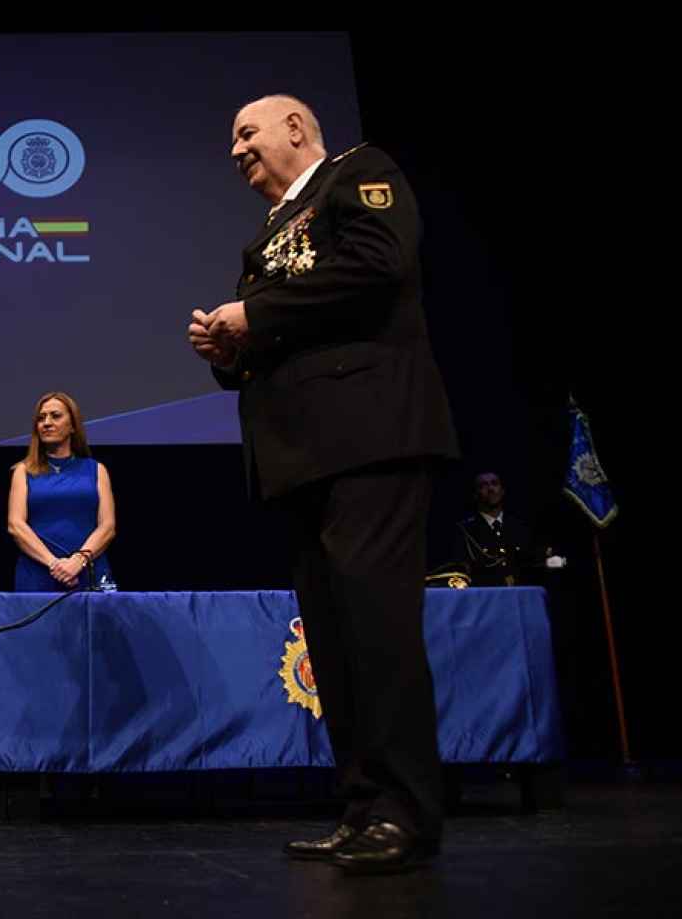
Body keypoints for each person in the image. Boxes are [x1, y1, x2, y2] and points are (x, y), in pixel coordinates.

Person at [188, 94, 458, 874]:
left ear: (296, 129)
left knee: (379, 633)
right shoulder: (262, 240)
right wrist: (225, 346)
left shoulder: (358, 176)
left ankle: (408, 811)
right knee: (334, 647)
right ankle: (364, 808)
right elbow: (272, 337)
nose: (235, 150)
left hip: (370, 441)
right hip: (298, 460)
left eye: (246, 133)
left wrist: (255, 312)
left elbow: (380, 266)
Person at [6, 392, 115, 591]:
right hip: (38, 573)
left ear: (73, 425)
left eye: (55, 416)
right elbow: (16, 526)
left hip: (88, 571)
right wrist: (55, 565)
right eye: (41, 418)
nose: (46, 423)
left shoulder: (96, 470)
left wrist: (79, 560)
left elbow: (107, 526)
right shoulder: (23, 471)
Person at [453, 471, 563, 585]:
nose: (490, 489)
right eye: (484, 485)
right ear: (475, 494)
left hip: (521, 593)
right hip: (486, 595)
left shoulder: (519, 526)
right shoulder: (466, 531)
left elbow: (533, 560)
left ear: (502, 491)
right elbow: (461, 570)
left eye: (494, 484)